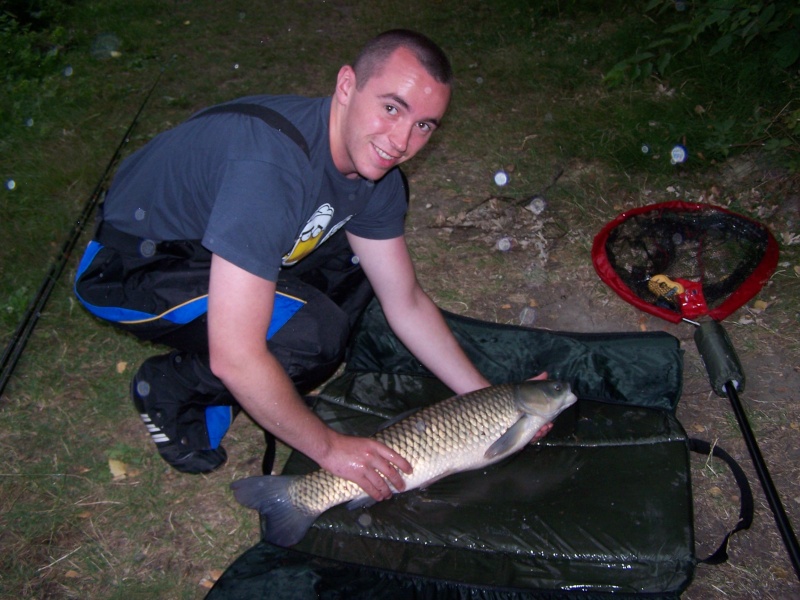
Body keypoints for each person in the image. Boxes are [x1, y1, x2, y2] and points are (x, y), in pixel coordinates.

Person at [75, 29, 548, 502]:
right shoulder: (270, 170)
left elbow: (403, 300)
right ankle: (169, 387)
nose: (402, 140)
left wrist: (495, 403)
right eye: (391, 108)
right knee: (313, 337)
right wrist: (330, 449)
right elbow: (236, 355)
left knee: (362, 268)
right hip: (133, 267)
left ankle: (259, 364)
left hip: (222, 236)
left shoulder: (375, 174)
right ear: (347, 85)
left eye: (424, 125)